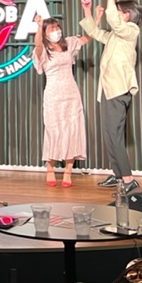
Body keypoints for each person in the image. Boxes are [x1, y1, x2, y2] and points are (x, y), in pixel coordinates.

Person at [79, 0, 142, 194]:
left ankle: (128, 179)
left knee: (115, 135)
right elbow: (94, 32)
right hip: (108, 91)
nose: (115, 13)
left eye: (118, 10)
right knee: (109, 134)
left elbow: (113, 19)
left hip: (119, 90)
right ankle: (118, 175)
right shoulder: (115, 37)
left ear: (126, 15)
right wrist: (87, 10)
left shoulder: (131, 31)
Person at [32, 10, 101, 187]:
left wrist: (96, 18)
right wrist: (38, 27)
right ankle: (50, 168)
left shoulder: (69, 43)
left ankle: (68, 171)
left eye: (57, 27)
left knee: (72, 128)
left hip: (71, 93)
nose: (56, 31)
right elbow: (38, 45)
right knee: (53, 129)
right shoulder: (43, 50)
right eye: (51, 29)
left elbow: (87, 37)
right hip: (53, 95)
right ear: (45, 33)